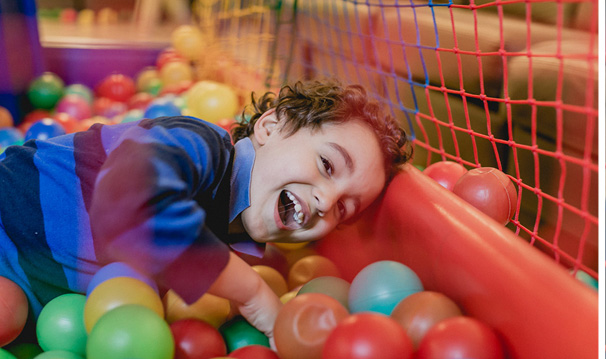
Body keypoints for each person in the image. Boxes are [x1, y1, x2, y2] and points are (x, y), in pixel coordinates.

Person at [0, 80, 411, 337]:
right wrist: (252, 296)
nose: (326, 200)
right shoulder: (200, 144)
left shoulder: (239, 249)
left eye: (344, 209)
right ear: (271, 127)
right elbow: (135, 207)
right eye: (327, 165)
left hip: (28, 287)